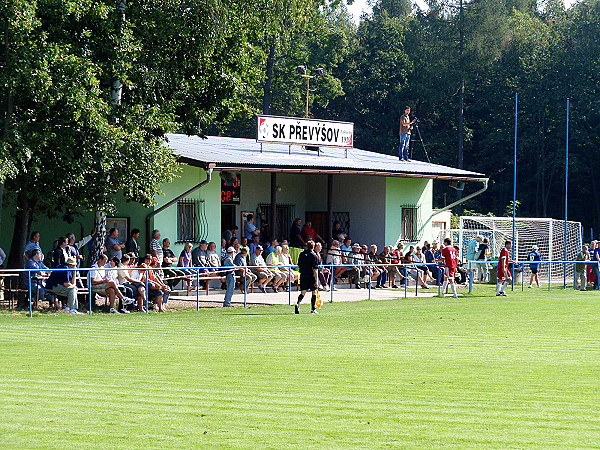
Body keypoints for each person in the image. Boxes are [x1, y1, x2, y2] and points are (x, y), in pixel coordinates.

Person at [295, 240, 320, 314]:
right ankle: (313, 309)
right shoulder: (314, 255)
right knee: (314, 291)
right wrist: (316, 280)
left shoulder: (302, 254)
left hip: (303, 275)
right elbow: (315, 269)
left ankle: (298, 303)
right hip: (311, 275)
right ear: (313, 246)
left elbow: (299, 265)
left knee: (303, 291)